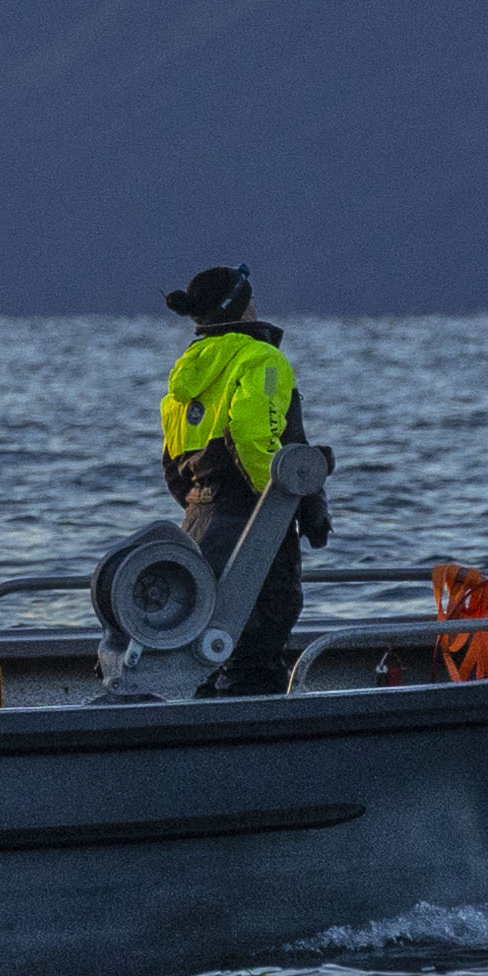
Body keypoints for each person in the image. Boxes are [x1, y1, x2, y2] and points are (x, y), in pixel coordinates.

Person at [156, 265, 325, 695]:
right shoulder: (261, 358)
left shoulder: (187, 374)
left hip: (198, 527)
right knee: (260, 638)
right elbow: (252, 435)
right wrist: (283, 506)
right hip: (252, 519)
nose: (256, 304)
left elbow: (173, 464)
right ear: (240, 308)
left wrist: (203, 509)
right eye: (250, 297)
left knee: (205, 643)